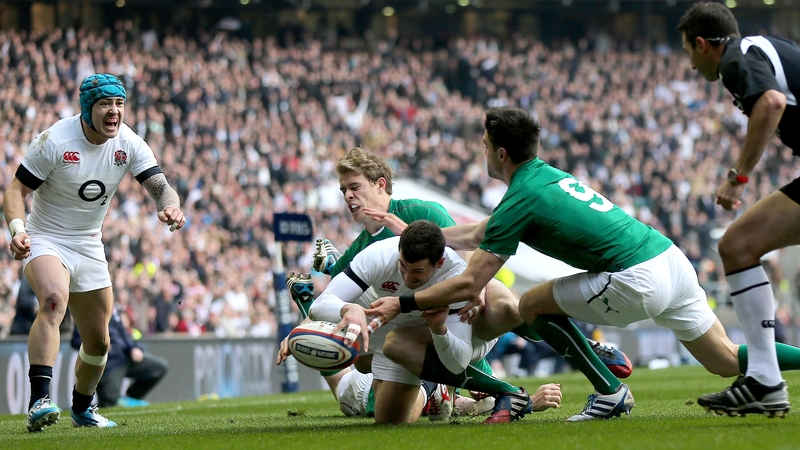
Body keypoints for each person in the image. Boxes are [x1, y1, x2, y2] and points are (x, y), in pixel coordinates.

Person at [369, 107, 800, 422]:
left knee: (532, 304)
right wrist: (425, 235)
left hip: (635, 275)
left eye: (484, 147)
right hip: (670, 259)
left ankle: (610, 392)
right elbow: (482, 232)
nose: (482, 154)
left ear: (500, 153)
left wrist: (402, 305)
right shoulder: (543, 177)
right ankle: (598, 360)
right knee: (725, 359)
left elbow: (469, 285)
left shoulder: (522, 195)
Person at [284, 147, 628, 420]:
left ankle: (584, 347)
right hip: (413, 320)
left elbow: (471, 250)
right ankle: (467, 393)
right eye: (343, 190)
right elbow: (332, 299)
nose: (347, 196)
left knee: (507, 305)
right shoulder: (362, 251)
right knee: (366, 370)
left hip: (462, 291)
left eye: (354, 187)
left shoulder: (421, 210)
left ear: (380, 185)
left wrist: (474, 286)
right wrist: (299, 331)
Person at [4, 73, 186, 432]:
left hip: (88, 242)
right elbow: (14, 191)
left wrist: (172, 208)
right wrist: (17, 230)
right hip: (45, 237)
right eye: (106, 104)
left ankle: (83, 407)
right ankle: (39, 400)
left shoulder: (129, 142)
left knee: (99, 342)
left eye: (119, 104)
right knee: (54, 300)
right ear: (88, 109)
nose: (114, 111)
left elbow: (162, 188)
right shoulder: (55, 140)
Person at [290, 220, 561, 424]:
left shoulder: (455, 275)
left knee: (507, 310)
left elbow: (457, 361)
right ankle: (435, 388)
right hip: (402, 334)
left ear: (438, 262)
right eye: (403, 266)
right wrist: (350, 309)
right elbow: (323, 305)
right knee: (389, 421)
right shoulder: (378, 255)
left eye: (418, 271)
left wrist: (439, 328)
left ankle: (566, 353)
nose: (407, 278)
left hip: (461, 336)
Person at [677, 2, 800, 418]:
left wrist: (738, 176)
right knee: (738, 246)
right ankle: (765, 379)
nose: (693, 67)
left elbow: (771, 102)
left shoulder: (737, 57)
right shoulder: (763, 48)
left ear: (701, 43)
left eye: (690, 55)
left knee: (738, 244)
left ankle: (765, 379)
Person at [71, 305, 169, 408]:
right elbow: (75, 341)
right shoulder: (86, 314)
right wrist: (96, 345)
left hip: (126, 357)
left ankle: (130, 397)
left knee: (159, 367)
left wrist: (134, 347)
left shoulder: (113, 310)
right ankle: (111, 400)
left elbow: (124, 333)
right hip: (108, 364)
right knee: (109, 401)